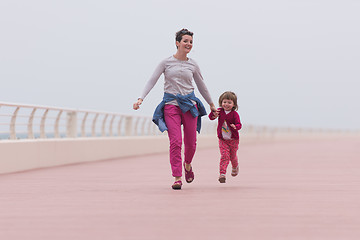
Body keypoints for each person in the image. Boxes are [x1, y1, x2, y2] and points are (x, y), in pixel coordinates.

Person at [133, 28, 217, 190]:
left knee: (191, 143)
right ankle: (177, 177)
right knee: (176, 142)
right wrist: (140, 98)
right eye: (185, 41)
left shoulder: (193, 64)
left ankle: (187, 164)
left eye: (191, 42)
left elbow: (201, 86)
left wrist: (211, 104)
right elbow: (152, 80)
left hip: (190, 105)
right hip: (171, 105)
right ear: (177, 43)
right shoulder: (166, 63)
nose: (188, 44)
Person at [208, 91, 242, 183]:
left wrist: (236, 127)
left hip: (233, 139)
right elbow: (211, 117)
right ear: (221, 102)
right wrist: (213, 114)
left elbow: (239, 124)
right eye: (224, 102)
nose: (226, 104)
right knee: (224, 155)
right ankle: (222, 174)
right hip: (223, 139)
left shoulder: (235, 114)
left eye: (229, 102)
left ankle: (235, 166)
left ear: (234, 104)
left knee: (233, 156)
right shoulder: (220, 111)